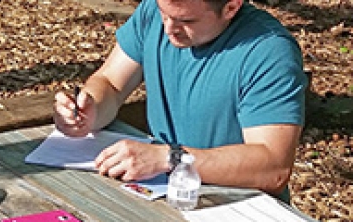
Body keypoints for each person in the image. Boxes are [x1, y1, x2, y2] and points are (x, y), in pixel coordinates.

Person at [53, 0, 307, 201]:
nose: (168, 29)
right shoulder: (154, 11)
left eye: (187, 21)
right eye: (164, 14)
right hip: (164, 195)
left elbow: (273, 168)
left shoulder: (269, 52)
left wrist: (172, 158)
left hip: (237, 208)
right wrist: (91, 109)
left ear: (231, 7)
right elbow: (111, 82)